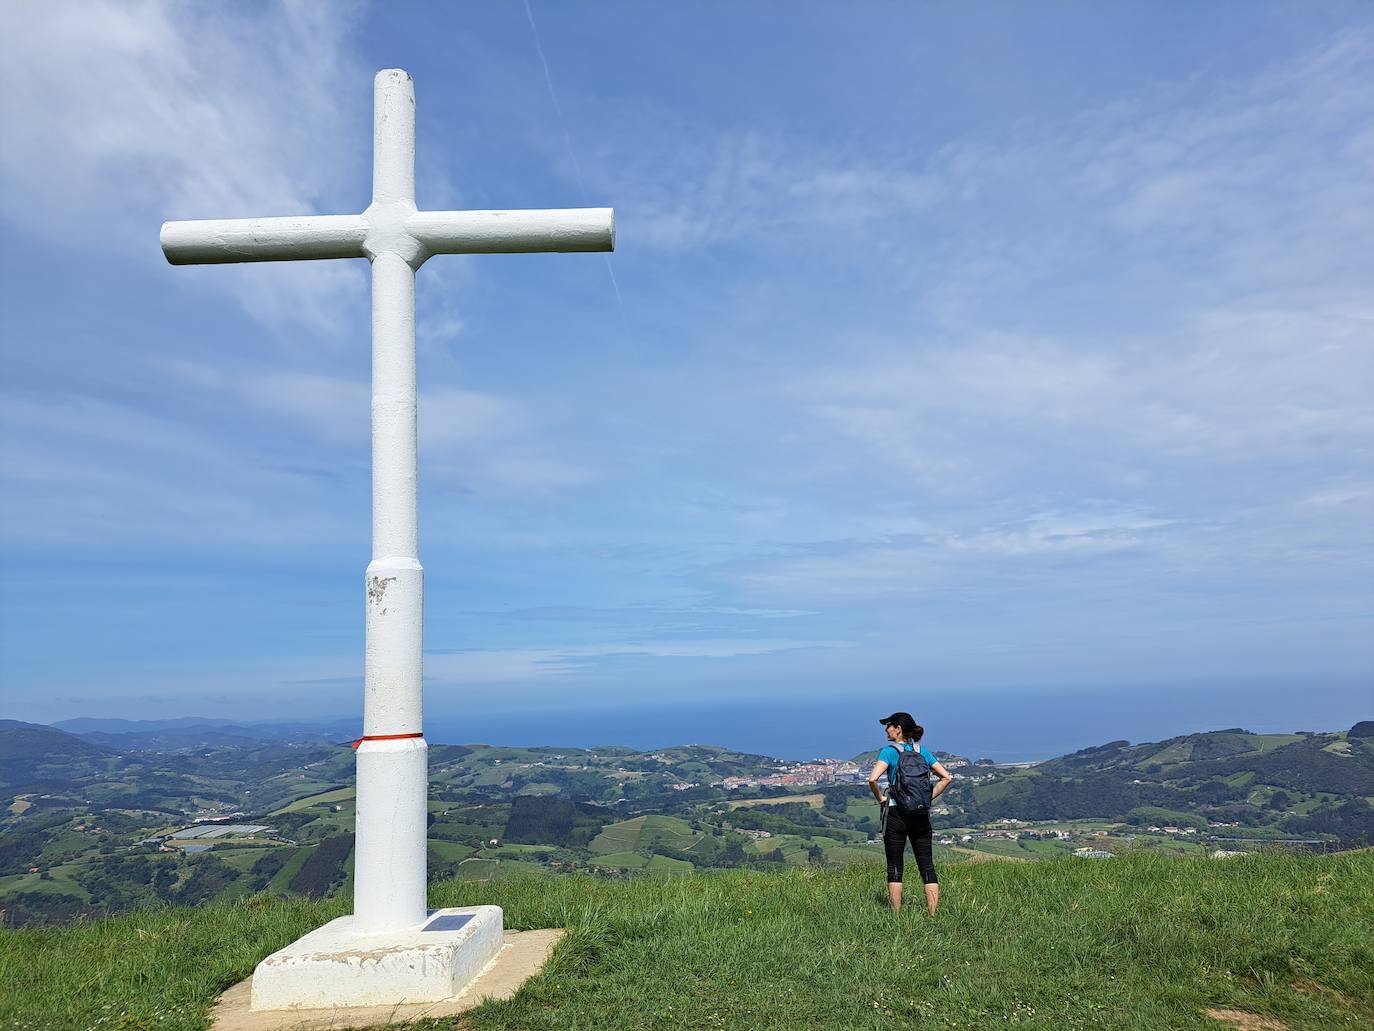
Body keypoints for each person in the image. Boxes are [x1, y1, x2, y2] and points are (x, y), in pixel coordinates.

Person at [868, 711, 953, 913]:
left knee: (895, 865)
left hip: (896, 813)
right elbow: (946, 778)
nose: (886, 729)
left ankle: (897, 915)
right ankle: (933, 914)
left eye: (888, 725)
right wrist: (927, 798)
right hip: (920, 814)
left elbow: (872, 779)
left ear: (898, 729)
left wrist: (880, 798)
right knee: (927, 865)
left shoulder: (889, 752)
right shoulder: (922, 751)